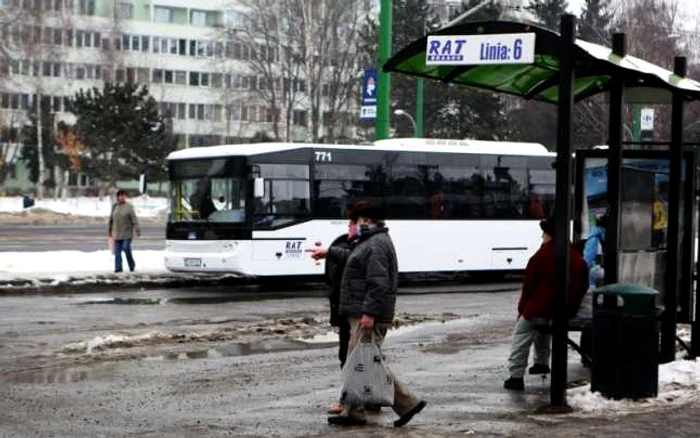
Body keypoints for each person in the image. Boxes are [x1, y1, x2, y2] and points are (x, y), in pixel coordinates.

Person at [308, 201, 427, 427]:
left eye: (356, 221)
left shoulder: (376, 244)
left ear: (368, 221)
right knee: (360, 364)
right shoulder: (370, 241)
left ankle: (407, 403)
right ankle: (355, 411)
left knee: (369, 362)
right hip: (361, 313)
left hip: (368, 315)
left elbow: (378, 283)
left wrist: (369, 312)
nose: (352, 225)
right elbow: (354, 260)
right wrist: (328, 253)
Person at [503, 216, 589, 391]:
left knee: (523, 330)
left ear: (550, 235)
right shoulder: (577, 257)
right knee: (543, 324)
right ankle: (541, 363)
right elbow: (583, 285)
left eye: (544, 233)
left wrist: (522, 311)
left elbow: (528, 287)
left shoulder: (541, 256)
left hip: (541, 308)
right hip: (565, 310)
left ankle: (516, 376)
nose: (542, 236)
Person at [322, 218, 358, 415]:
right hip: (344, 310)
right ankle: (370, 398)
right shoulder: (343, 245)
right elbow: (330, 279)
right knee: (355, 356)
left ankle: (347, 402)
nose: (350, 227)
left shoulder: (361, 248)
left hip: (354, 311)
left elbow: (353, 258)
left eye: (355, 223)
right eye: (351, 224)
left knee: (350, 357)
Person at [108, 189, 141, 273]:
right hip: (117, 233)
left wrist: (137, 229)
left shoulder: (129, 207)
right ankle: (118, 268)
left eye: (123, 195)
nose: (122, 197)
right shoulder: (115, 206)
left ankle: (131, 264)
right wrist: (109, 230)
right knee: (117, 253)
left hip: (127, 233)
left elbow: (134, 219)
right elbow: (111, 219)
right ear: (118, 197)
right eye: (120, 195)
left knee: (126, 248)